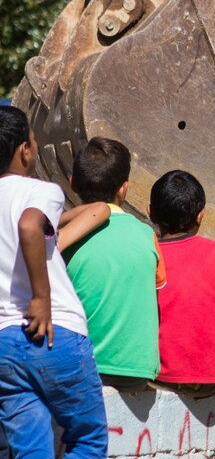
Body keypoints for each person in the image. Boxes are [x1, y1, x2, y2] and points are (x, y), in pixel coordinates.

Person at [0, 106, 108, 459]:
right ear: (26, 149)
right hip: (51, 333)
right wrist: (41, 297)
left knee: (32, 458)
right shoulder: (40, 190)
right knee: (89, 439)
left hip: (3, 346)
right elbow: (28, 225)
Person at [62, 136, 166, 390]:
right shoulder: (146, 235)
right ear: (124, 188)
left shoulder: (63, 237)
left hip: (82, 370)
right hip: (138, 372)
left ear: (73, 184)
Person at [149, 170, 215, 404]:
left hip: (157, 378)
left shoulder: (148, 254)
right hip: (210, 381)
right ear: (200, 215)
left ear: (151, 213)